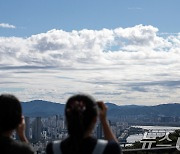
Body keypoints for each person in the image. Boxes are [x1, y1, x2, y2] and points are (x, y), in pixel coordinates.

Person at [46, 94, 122, 154]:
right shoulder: (108, 149)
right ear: (95, 119)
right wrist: (104, 120)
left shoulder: (52, 148)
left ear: (67, 118)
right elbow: (116, 148)